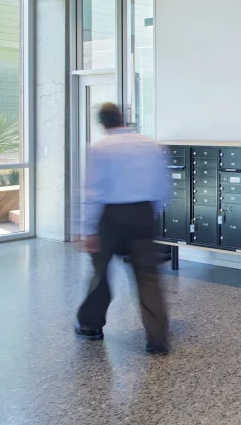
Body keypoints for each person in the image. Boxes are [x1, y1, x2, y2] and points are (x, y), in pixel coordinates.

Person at [74, 103, 170, 352]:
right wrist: (151, 215)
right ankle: (158, 339)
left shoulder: (100, 149)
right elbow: (162, 187)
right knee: (148, 278)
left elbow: (92, 192)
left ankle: (90, 326)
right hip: (143, 214)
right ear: (123, 118)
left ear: (103, 123)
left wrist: (88, 229)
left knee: (101, 274)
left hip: (110, 217)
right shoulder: (151, 145)